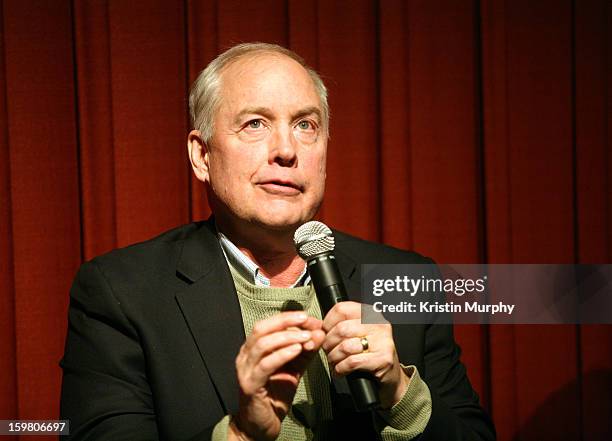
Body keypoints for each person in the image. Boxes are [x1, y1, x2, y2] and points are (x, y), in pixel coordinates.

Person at [60, 43, 495, 441]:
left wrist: (401, 394)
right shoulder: (122, 292)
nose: (286, 150)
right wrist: (242, 433)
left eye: (306, 125)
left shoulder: (407, 278)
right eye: (255, 124)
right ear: (202, 156)